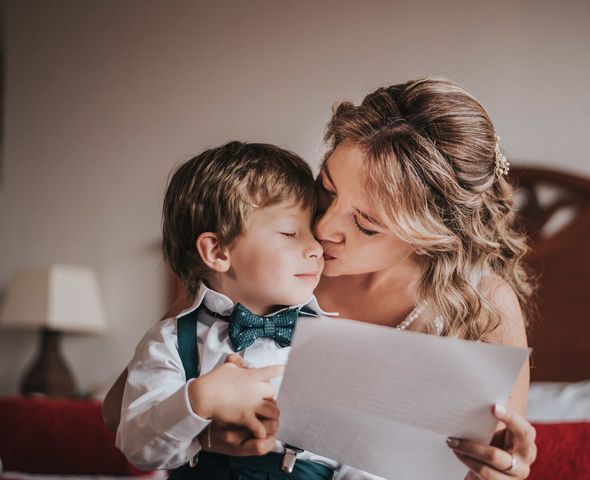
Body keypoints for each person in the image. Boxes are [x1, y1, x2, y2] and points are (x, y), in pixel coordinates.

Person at [106, 77, 538, 479]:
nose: (324, 228)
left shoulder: (481, 307)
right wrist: (204, 436)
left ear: (428, 235)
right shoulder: (265, 272)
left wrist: (503, 474)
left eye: (366, 224)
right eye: (327, 190)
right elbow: (119, 412)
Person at [116, 141, 348, 479]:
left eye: (311, 231)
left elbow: (362, 460)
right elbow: (137, 446)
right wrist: (198, 399)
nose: (315, 248)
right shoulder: (170, 340)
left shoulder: (335, 342)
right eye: (289, 233)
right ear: (217, 251)